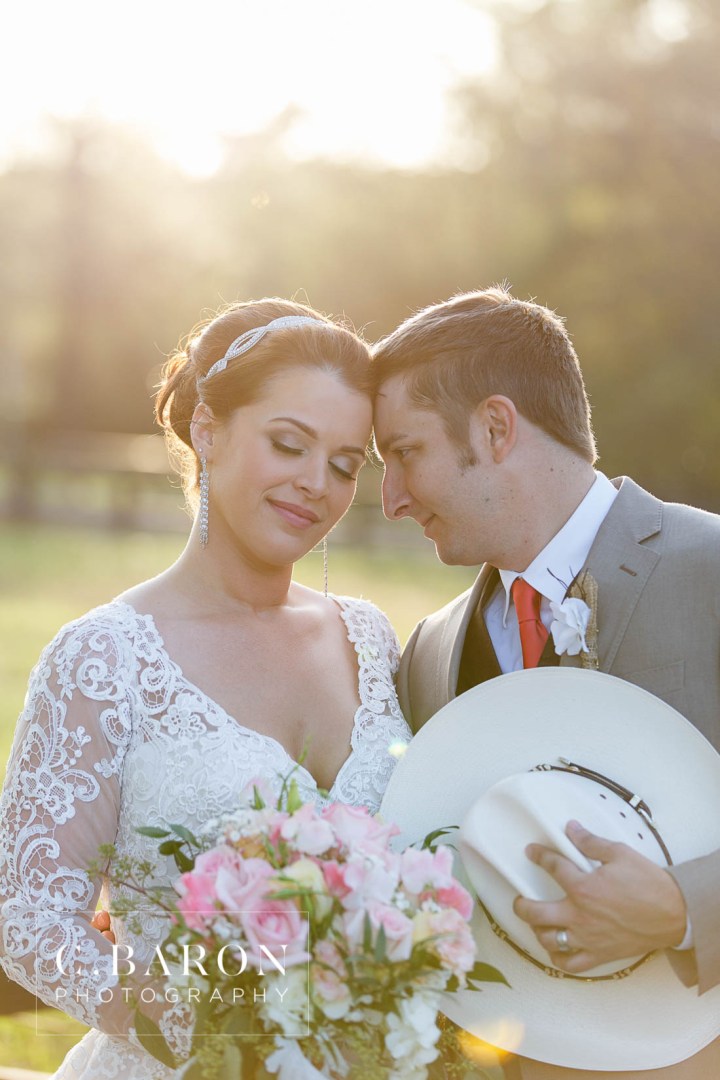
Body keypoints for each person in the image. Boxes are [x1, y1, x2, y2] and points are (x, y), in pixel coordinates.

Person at [0, 298, 411, 1079]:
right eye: (289, 444)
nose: (314, 484)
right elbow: (27, 917)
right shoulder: (104, 657)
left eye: (345, 465)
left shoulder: (370, 638)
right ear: (208, 431)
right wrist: (192, 1028)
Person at [371, 285, 720, 1079]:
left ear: (495, 428)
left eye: (405, 452)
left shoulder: (714, 570)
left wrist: (683, 908)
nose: (390, 499)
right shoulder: (428, 651)